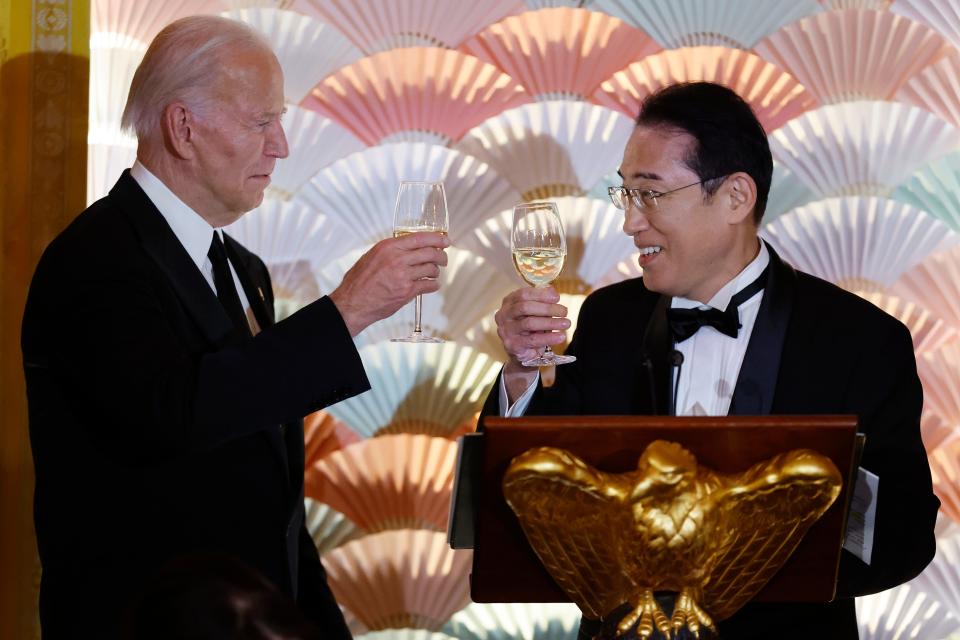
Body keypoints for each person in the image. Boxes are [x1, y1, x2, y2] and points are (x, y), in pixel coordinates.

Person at [21, 15, 448, 640]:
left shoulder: (244, 270)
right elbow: (173, 416)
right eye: (261, 122)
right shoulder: (96, 258)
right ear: (183, 127)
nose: (282, 145)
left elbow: (272, 495)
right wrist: (347, 310)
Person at [482, 82, 938, 638]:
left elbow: (903, 538)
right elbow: (518, 497)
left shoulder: (862, 338)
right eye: (625, 194)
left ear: (735, 197)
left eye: (650, 194)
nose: (630, 222)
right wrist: (523, 375)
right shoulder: (607, 318)